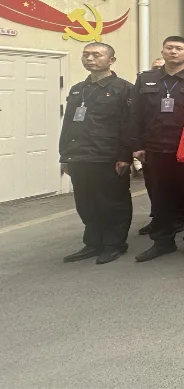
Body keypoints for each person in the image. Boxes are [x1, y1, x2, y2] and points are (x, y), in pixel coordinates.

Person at [131, 36, 184, 262]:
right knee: (160, 198)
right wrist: (136, 145)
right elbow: (135, 114)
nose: (173, 52)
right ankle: (163, 241)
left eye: (179, 48)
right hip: (155, 149)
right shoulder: (146, 79)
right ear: (163, 51)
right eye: (169, 48)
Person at [59, 43, 135, 265]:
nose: (90, 59)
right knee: (86, 203)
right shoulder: (78, 89)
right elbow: (68, 124)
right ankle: (93, 242)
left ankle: (114, 244)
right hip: (79, 156)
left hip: (108, 157)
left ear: (111, 60)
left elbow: (129, 125)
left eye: (96, 55)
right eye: (86, 55)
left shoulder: (124, 89)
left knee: (113, 202)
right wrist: (64, 155)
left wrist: (125, 156)